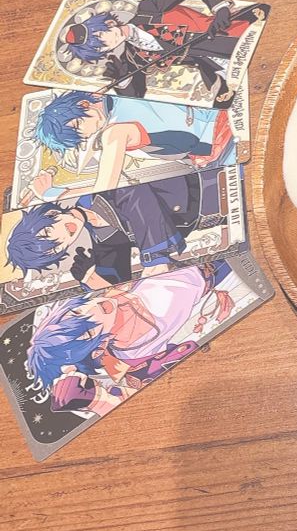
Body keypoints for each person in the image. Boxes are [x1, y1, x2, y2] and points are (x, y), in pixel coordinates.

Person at [26, 261, 235, 415]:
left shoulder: (112, 295)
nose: (94, 311)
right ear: (98, 348)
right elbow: (131, 399)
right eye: (89, 332)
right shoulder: (137, 356)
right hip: (223, 275)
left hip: (199, 256)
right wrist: (95, 400)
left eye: (77, 312)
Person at [6, 173, 214, 288]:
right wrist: (89, 278)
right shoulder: (102, 239)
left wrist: (155, 258)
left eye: (46, 232)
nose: (60, 237)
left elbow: (133, 194)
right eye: (55, 248)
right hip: (211, 217)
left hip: (206, 184)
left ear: (50, 213)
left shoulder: (100, 190)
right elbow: (115, 277)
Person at [29, 91, 234, 201]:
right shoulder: (120, 94)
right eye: (79, 137)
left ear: (83, 105)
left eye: (77, 125)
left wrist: (53, 193)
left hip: (223, 144)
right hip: (224, 120)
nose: (87, 133)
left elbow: (105, 189)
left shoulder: (114, 132)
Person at [63, 0, 262, 105]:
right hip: (215, 64)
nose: (105, 45)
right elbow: (136, 96)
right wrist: (121, 81)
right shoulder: (131, 57)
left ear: (109, 23)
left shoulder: (148, 10)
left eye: (100, 38)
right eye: (99, 49)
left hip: (230, 30)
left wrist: (220, 8)